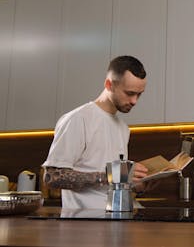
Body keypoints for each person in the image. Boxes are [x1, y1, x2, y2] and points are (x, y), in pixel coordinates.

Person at [42, 55, 149, 209]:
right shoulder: (78, 119)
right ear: (109, 85)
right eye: (129, 93)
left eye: (139, 94)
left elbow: (111, 183)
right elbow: (52, 177)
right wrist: (111, 176)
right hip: (84, 224)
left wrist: (138, 185)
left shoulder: (123, 128)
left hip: (117, 219)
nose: (134, 101)